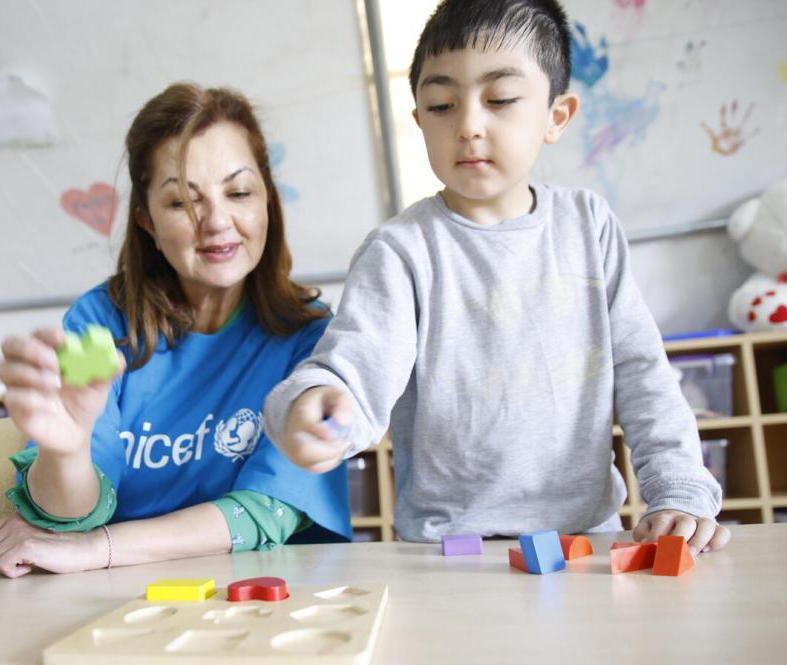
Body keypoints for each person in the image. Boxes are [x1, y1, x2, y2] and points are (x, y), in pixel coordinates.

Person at [264, 0, 731, 555]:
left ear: (556, 116)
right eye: (441, 105)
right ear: (418, 120)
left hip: (585, 542)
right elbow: (354, 372)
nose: (468, 126)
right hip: (448, 554)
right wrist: (315, 405)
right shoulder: (400, 251)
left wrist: (677, 488)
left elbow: (643, 375)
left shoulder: (589, 227)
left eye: (501, 99)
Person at [0, 83, 351, 577]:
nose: (217, 222)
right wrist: (65, 452)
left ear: (267, 202)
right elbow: (68, 518)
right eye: (181, 203)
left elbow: (266, 510)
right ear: (146, 222)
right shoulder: (100, 324)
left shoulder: (308, 337)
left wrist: (98, 548)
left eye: (239, 193)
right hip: (119, 599)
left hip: (264, 597)